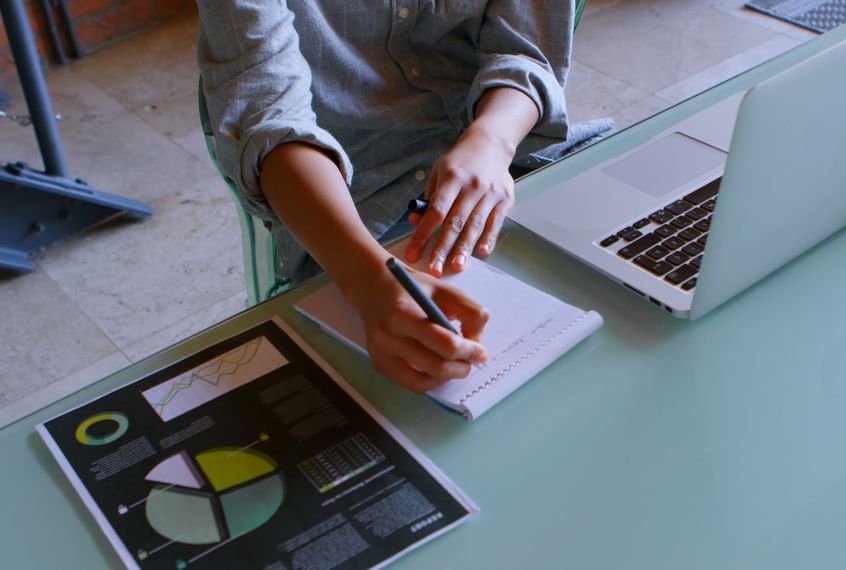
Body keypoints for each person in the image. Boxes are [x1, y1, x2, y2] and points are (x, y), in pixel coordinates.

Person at [198, 2, 606, 394]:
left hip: (519, 156)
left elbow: (527, 49)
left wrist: (491, 142)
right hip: (356, 216)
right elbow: (268, 120)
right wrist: (368, 282)